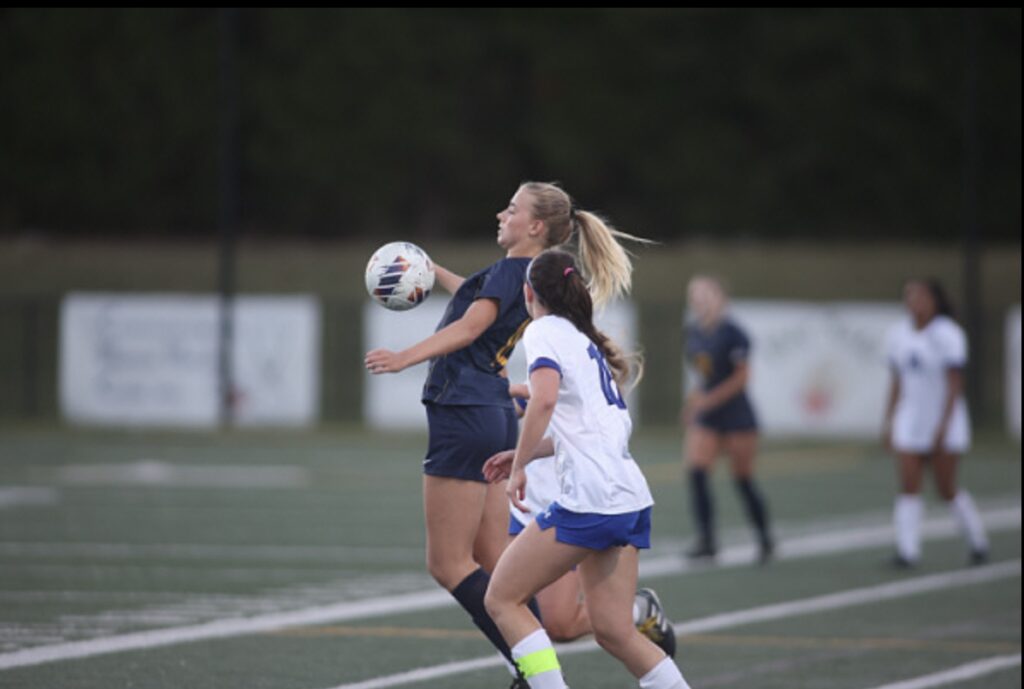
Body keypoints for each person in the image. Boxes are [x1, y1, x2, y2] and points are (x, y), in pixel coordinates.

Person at [365, 181, 648, 688]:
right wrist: (427, 273)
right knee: (498, 566)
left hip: (464, 411)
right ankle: (532, 665)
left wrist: (404, 356)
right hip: (490, 411)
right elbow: (478, 296)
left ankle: (529, 669)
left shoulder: (510, 274)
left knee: (449, 564)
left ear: (535, 227)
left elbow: (471, 327)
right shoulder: (525, 277)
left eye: (512, 209)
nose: (501, 213)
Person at [483, 249, 692, 689]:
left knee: (502, 598)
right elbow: (584, 429)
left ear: (528, 293)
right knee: (615, 631)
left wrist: (518, 465)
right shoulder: (583, 340)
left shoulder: (542, 330)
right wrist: (529, 455)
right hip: (629, 497)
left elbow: (543, 401)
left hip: (590, 501)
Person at [505, 387, 677, 657]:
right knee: (503, 601)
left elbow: (544, 399)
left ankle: (638, 610)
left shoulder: (571, 357)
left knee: (561, 624)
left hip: (573, 502)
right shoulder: (545, 352)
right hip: (527, 500)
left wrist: (495, 389)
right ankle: (528, 677)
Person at [882, 278, 990, 568]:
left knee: (946, 488)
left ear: (934, 300)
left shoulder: (948, 334)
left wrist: (943, 425)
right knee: (908, 485)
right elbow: (897, 381)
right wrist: (889, 420)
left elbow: (955, 383)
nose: (912, 301)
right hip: (910, 420)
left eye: (919, 296)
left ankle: (977, 541)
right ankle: (908, 551)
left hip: (943, 421)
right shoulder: (898, 334)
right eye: (908, 296)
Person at [681, 276, 773, 563]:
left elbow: (742, 377)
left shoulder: (734, 334)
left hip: (737, 416)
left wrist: (707, 401)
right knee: (696, 472)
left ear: (721, 298)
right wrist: (695, 402)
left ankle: (764, 537)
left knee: (743, 479)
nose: (699, 299)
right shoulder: (693, 332)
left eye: (705, 293)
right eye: (694, 294)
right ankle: (707, 540)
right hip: (709, 417)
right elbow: (703, 376)